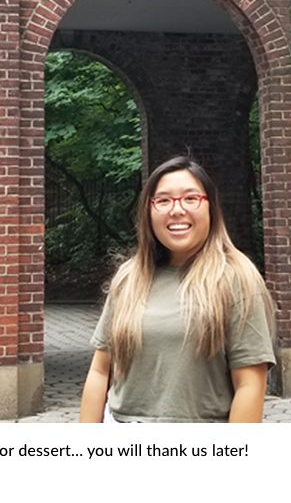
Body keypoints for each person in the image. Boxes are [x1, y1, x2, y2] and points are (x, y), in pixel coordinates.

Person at [79, 155, 276, 423]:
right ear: (149, 211)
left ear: (211, 207)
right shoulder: (130, 278)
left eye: (191, 198)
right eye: (163, 201)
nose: (177, 210)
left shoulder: (236, 279)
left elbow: (250, 385)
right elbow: (100, 372)